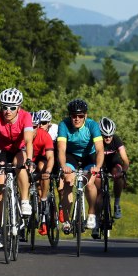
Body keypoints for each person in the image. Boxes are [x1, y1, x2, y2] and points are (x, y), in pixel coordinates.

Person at [0, 88, 35, 249]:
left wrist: (30, 160)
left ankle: (24, 201)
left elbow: (29, 141)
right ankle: (0, 229)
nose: (7, 111)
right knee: (0, 191)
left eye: (12, 107)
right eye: (4, 107)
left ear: (19, 107)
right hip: (2, 152)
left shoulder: (26, 116)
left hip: (19, 150)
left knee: (21, 165)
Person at [56, 98, 104, 235]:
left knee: (89, 183)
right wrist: (63, 165)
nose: (76, 119)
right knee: (68, 181)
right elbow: (61, 149)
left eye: (80, 116)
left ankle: (92, 213)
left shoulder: (92, 125)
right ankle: (66, 220)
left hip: (89, 156)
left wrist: (98, 166)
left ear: (85, 116)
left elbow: (100, 149)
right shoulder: (64, 125)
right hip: (71, 156)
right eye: (73, 116)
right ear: (69, 116)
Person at [97, 117, 129, 221]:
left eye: (110, 135)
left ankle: (117, 204)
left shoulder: (116, 139)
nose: (108, 138)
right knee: (97, 187)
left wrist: (123, 172)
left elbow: (125, 160)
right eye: (105, 135)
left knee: (118, 175)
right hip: (100, 163)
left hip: (113, 163)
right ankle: (96, 215)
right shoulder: (97, 140)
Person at [32, 110, 55, 236]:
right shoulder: (22, 134)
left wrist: (48, 171)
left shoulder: (45, 135)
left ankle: (44, 199)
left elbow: (50, 157)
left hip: (41, 159)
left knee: (43, 168)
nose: (38, 127)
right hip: (27, 159)